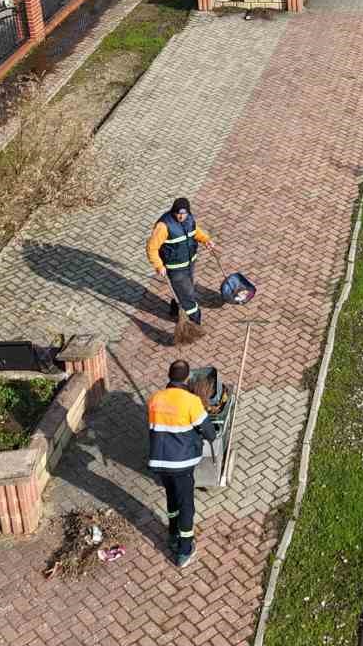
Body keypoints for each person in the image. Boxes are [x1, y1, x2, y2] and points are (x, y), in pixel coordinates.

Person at [148, 359, 219, 568]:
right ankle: (185, 549)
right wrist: (208, 435)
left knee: (172, 499)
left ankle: (172, 534)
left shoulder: (155, 399)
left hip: (160, 462)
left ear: (169, 376)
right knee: (186, 505)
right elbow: (208, 432)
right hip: (181, 464)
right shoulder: (191, 401)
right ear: (187, 379)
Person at [147, 197, 216, 334]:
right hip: (175, 268)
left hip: (190, 263)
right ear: (173, 211)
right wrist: (159, 265)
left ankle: (175, 308)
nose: (181, 216)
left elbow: (195, 232)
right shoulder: (163, 226)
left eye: (184, 213)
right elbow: (152, 248)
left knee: (184, 290)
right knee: (188, 295)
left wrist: (206, 240)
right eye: (178, 213)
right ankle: (195, 323)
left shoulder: (189, 219)